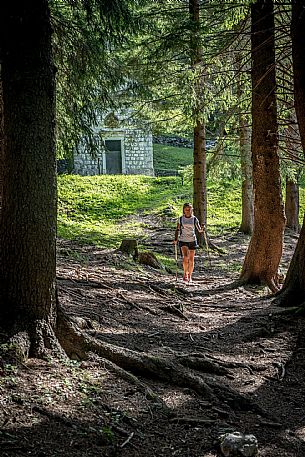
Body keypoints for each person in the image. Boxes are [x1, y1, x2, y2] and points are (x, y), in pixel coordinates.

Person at [174, 202, 204, 283]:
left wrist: (202, 228)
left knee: (191, 259)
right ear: (183, 210)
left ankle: (190, 276)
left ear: (192, 210)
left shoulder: (194, 219)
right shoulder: (180, 219)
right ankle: (185, 274)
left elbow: (199, 230)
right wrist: (176, 238)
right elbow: (177, 229)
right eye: (186, 209)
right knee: (185, 257)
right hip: (183, 240)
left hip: (192, 240)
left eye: (189, 209)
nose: (188, 211)